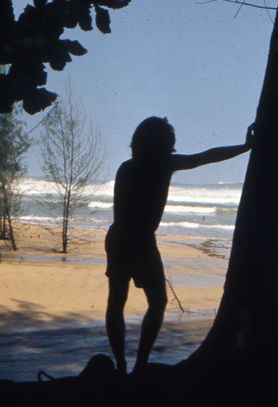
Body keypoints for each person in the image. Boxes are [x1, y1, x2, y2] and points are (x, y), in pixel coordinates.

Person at [105, 117, 254, 376]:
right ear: (166, 143)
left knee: (118, 301)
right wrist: (245, 147)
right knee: (157, 301)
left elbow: (205, 156)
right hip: (140, 241)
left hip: (118, 238)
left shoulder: (126, 167)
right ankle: (139, 365)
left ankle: (121, 365)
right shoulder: (164, 164)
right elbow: (205, 157)